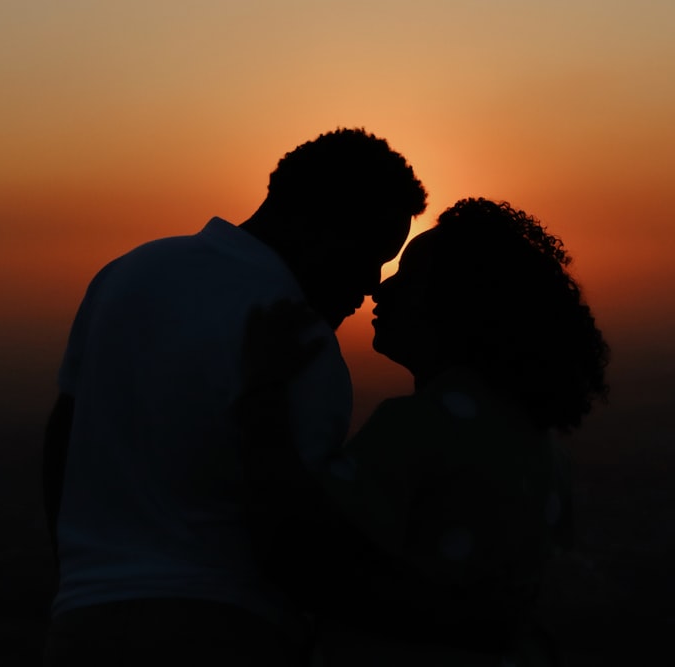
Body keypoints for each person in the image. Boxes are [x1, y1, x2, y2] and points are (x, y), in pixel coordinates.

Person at [41, 128, 427, 666]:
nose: (371, 284)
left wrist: (78, 577)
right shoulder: (298, 338)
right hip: (229, 627)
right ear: (317, 223)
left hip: (81, 624)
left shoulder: (129, 273)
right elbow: (289, 532)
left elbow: (64, 435)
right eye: (369, 252)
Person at [242, 198, 610, 666]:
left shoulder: (417, 431)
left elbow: (298, 551)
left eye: (409, 276)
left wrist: (264, 394)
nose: (381, 289)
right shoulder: (543, 449)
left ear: (455, 306)